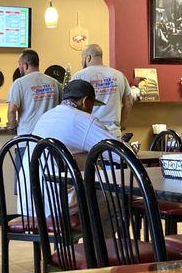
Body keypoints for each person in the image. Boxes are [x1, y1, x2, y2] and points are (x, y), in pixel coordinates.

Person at [19, 80, 117, 217]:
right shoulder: (83, 119)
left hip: (30, 201)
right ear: (85, 101)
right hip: (57, 203)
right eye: (92, 105)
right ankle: (104, 239)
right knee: (116, 199)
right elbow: (116, 153)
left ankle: (86, 238)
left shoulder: (46, 116)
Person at [71, 44, 133, 138]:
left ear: (88, 58)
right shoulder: (119, 75)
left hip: (88, 133)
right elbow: (129, 102)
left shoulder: (79, 76)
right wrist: (121, 124)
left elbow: (71, 107)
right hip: (113, 133)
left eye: (82, 58)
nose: (81, 61)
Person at [7, 49, 61, 135]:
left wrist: (12, 127)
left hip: (27, 138)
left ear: (25, 66)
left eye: (20, 65)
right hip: (50, 137)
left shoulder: (19, 84)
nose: (19, 68)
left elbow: (11, 111)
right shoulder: (55, 83)